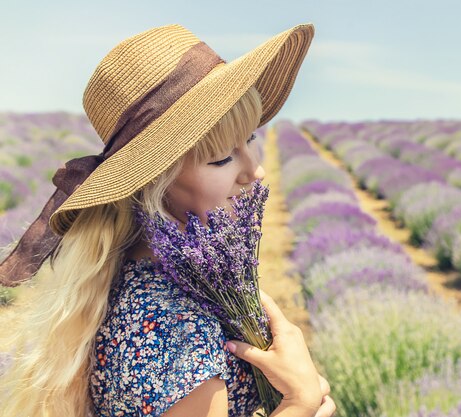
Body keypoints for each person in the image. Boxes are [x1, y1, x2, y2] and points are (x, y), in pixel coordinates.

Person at [0, 23, 336, 417]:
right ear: (154, 183)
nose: (254, 171)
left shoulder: (156, 280)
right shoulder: (175, 327)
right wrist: (300, 403)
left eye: (251, 139)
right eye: (222, 158)